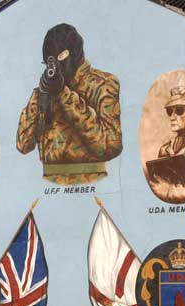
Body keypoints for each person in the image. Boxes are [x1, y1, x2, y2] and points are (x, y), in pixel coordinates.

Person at [16, 23, 122, 185]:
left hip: (92, 180)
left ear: (71, 54)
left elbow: (109, 146)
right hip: (50, 184)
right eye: (48, 64)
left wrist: (64, 94)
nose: (55, 67)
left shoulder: (102, 85)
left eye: (60, 59)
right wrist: (40, 96)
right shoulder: (45, 90)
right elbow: (23, 145)